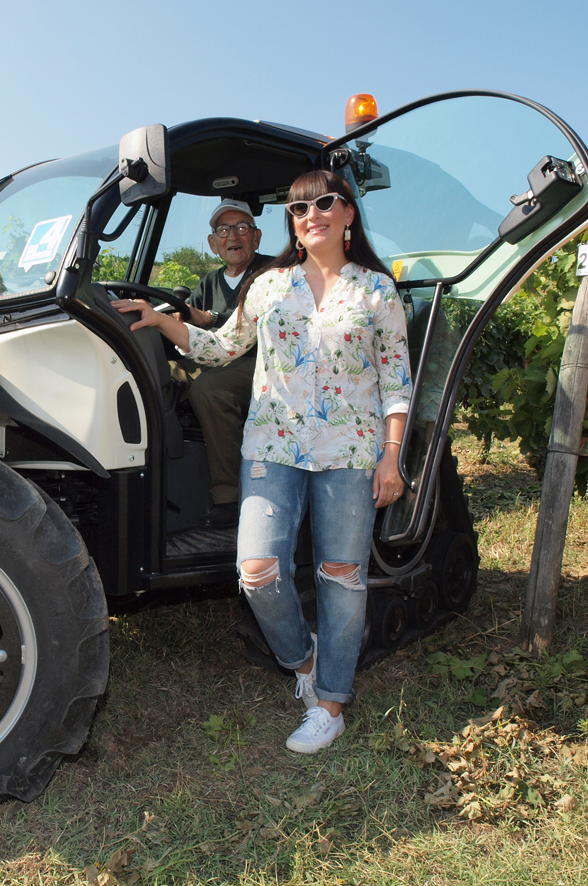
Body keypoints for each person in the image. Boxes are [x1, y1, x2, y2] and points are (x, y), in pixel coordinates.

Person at [114, 171, 410, 753]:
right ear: (292, 224)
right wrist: (161, 320)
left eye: (325, 203)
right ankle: (303, 664)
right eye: (300, 208)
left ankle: (331, 702)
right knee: (257, 571)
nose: (311, 214)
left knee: (342, 576)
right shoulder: (271, 286)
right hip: (273, 445)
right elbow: (221, 346)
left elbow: (395, 382)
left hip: (350, 450)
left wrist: (391, 457)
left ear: (348, 214)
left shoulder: (376, 291)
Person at [181, 199, 272, 528]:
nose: (233, 235)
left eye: (241, 228)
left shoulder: (270, 272)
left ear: (256, 237)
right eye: (223, 229)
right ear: (213, 243)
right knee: (154, 372)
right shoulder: (208, 282)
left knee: (209, 388)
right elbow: (189, 316)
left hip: (260, 362)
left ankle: (229, 495)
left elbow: (228, 327)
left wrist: (205, 318)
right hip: (214, 357)